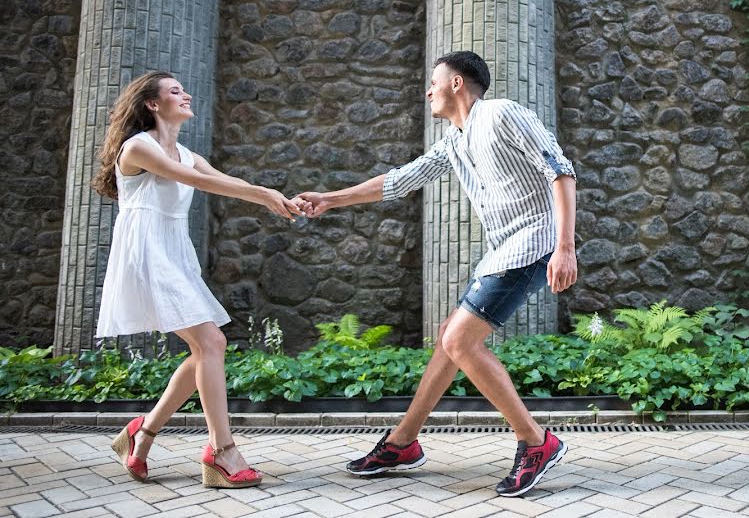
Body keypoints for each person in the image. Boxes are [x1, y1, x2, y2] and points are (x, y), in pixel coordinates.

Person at [294, 51, 577, 497]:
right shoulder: (455, 139)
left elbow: (560, 170)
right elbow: (400, 180)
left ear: (458, 84)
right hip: (502, 250)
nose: (428, 90)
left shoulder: (502, 114)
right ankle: (402, 443)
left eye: (434, 82)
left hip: (534, 242)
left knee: (459, 341)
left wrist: (564, 247)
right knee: (451, 337)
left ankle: (537, 443)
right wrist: (331, 198)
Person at [93, 71, 305, 488]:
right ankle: (221, 450)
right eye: (175, 91)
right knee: (211, 343)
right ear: (152, 104)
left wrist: (275, 197)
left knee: (204, 347)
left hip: (173, 252)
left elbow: (224, 180)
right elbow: (197, 181)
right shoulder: (138, 146)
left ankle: (143, 431)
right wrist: (261, 195)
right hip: (146, 253)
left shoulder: (185, 152)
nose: (185, 94)